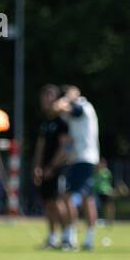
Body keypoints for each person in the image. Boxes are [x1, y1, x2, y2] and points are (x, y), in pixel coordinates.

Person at [57, 85, 100, 251]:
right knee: (87, 199)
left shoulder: (83, 106)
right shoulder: (75, 109)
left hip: (83, 158)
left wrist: (66, 99)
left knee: (68, 196)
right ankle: (88, 239)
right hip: (82, 158)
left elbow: (67, 109)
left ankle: (71, 238)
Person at [32, 84, 70, 249]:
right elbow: (40, 147)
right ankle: (52, 237)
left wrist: (51, 167)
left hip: (57, 168)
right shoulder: (45, 123)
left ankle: (67, 237)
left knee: (57, 201)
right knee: (47, 202)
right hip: (45, 168)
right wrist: (37, 166)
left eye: (49, 97)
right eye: (44, 96)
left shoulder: (62, 123)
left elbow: (64, 148)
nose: (45, 100)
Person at [92, 158, 115, 226]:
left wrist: (110, 190)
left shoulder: (107, 172)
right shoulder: (95, 172)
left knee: (109, 206)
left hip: (106, 192)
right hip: (97, 192)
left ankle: (110, 221)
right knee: (95, 207)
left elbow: (110, 182)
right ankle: (95, 220)